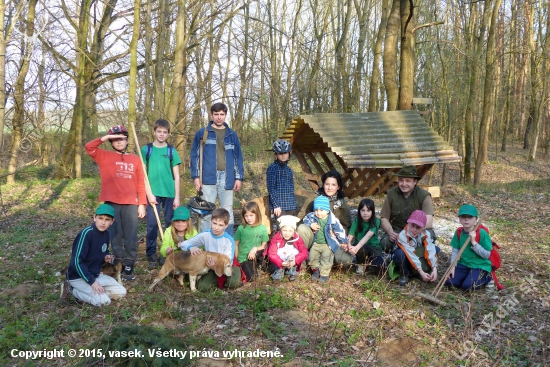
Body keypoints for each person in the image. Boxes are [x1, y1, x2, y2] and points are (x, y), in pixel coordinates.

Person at [85, 125, 146, 281]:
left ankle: (129, 263)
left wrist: (142, 204)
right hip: (112, 203)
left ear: (127, 140)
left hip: (131, 203)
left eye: (122, 138)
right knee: (115, 236)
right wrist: (105, 137)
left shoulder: (135, 159)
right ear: (111, 142)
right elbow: (89, 147)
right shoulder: (104, 156)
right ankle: (118, 261)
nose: (119, 141)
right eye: (116, 139)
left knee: (131, 235)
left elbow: (140, 182)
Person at [190, 103, 244, 235]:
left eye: (222, 114)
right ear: (211, 115)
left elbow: (238, 157)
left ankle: (227, 243)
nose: (219, 117)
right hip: (208, 178)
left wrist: (238, 177)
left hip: (228, 178)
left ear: (225, 115)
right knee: (207, 213)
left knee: (228, 212)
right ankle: (205, 245)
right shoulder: (203, 133)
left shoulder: (232, 134)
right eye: (216, 114)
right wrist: (196, 177)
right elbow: (195, 156)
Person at [60, 204, 127, 306]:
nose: (103, 222)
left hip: (95, 275)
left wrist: (106, 256)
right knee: (104, 301)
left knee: (121, 292)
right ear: (94, 218)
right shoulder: (86, 234)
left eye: (107, 219)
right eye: (100, 218)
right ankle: (71, 289)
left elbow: (101, 251)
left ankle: (97, 292)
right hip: (78, 277)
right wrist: (92, 282)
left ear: (112, 222)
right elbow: (76, 262)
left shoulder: (106, 234)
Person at [141, 119, 182, 268]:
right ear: (154, 131)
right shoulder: (146, 150)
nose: (162, 134)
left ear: (168, 134)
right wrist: (149, 194)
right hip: (153, 193)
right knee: (152, 224)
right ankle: (151, 253)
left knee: (170, 224)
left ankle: (170, 252)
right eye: (159, 131)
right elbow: (143, 175)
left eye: (165, 132)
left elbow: (177, 176)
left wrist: (177, 197)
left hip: (169, 193)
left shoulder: (171, 151)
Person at [179, 208, 242, 291]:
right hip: (210, 266)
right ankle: (214, 282)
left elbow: (229, 261)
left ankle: (226, 283)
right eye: (214, 223)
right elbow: (183, 244)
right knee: (203, 287)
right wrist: (191, 247)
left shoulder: (228, 240)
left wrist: (215, 267)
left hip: (227, 266)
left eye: (220, 225)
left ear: (226, 226)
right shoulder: (205, 235)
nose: (216, 227)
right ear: (210, 221)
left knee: (233, 283)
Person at [379, 165, 435, 253]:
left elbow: (428, 222)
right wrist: (390, 232)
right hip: (397, 231)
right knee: (384, 243)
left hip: (418, 231)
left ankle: (419, 257)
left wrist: (411, 233)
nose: (404, 184)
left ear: (415, 181)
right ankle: (397, 257)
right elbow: (384, 218)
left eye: (408, 181)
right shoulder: (391, 194)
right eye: (401, 180)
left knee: (430, 235)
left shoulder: (424, 195)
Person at [297, 170, 352, 249]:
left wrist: (336, 233)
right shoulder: (314, 198)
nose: (330, 188)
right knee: (302, 228)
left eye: (333, 185)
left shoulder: (341, 203)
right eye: (327, 184)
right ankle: (303, 256)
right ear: (323, 185)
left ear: (338, 187)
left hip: (332, 239)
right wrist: (310, 226)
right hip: (313, 237)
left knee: (343, 259)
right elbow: (301, 218)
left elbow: (347, 226)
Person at [445, 204, 493, 291]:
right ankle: (467, 276)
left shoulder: (481, 233)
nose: (466, 219)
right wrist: (452, 267)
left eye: (470, 217)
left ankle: (487, 278)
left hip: (479, 265)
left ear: (476, 220)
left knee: (468, 286)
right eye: (463, 216)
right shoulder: (459, 232)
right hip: (464, 264)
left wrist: (474, 243)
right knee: (450, 283)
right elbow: (455, 251)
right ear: (459, 219)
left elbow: (486, 255)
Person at [303, 196, 349, 283]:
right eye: (316, 210)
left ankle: (324, 274)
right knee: (313, 256)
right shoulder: (312, 216)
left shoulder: (332, 220)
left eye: (321, 210)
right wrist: (311, 224)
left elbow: (340, 230)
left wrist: (344, 241)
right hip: (316, 243)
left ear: (327, 210)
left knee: (326, 258)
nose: (318, 213)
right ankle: (315, 271)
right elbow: (305, 219)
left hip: (327, 244)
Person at [392, 210, 440, 286]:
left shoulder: (426, 234)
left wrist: (435, 268)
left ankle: (427, 271)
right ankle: (405, 274)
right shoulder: (403, 235)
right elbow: (410, 254)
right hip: (407, 257)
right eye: (412, 226)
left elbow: (430, 250)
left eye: (418, 227)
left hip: (417, 255)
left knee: (435, 248)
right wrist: (421, 272)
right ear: (408, 223)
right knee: (399, 254)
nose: (414, 229)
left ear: (423, 228)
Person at [347, 198, 386, 275]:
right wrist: (349, 245)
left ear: (372, 211)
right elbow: (351, 234)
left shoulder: (376, 221)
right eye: (363, 210)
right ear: (359, 211)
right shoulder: (357, 221)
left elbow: (368, 236)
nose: (365, 213)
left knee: (381, 268)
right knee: (363, 249)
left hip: (374, 247)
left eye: (368, 211)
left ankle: (369, 263)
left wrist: (356, 248)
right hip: (361, 248)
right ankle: (361, 264)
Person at [264, 216, 308, 282]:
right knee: (277, 258)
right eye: (284, 230)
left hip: (291, 259)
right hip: (280, 259)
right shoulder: (276, 238)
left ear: (294, 231)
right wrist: (281, 262)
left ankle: (291, 272)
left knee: (292, 256)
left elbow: (304, 253)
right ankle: (278, 274)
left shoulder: (297, 239)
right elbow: (272, 254)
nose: (287, 234)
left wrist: (295, 261)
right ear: (280, 229)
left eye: (290, 231)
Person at [234, 201, 270, 282]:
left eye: (251, 215)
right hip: (244, 258)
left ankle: (262, 267)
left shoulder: (262, 228)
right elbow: (235, 244)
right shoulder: (241, 228)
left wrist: (255, 249)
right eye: (246, 216)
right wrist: (236, 260)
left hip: (256, 255)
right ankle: (251, 269)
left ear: (257, 214)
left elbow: (264, 246)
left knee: (264, 254)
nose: (249, 218)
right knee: (252, 278)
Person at [266, 139, 297, 218]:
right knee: (282, 228)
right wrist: (276, 205)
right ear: (276, 154)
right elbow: (271, 188)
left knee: (291, 228)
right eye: (280, 153)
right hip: (279, 206)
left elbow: (291, 188)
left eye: (285, 153)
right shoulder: (272, 168)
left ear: (289, 153)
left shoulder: (289, 170)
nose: (283, 155)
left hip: (290, 204)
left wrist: (293, 205)